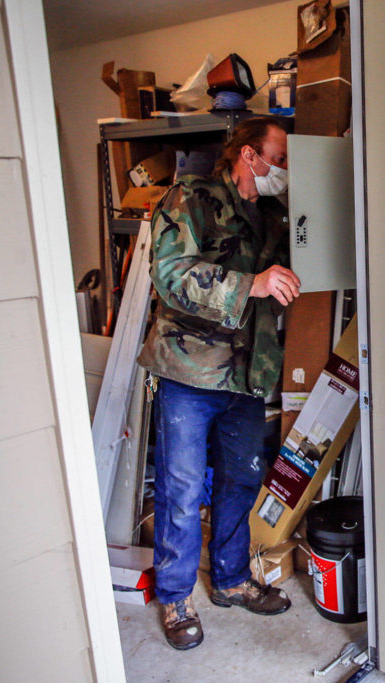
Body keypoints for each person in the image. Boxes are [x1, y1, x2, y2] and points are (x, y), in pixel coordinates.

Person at [136, 117, 301, 650]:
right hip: (190, 370)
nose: (282, 168)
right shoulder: (192, 197)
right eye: (277, 157)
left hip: (249, 375)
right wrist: (251, 284)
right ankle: (177, 596)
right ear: (248, 155)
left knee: (241, 481)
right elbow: (171, 274)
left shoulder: (274, 216)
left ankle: (230, 579)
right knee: (182, 491)